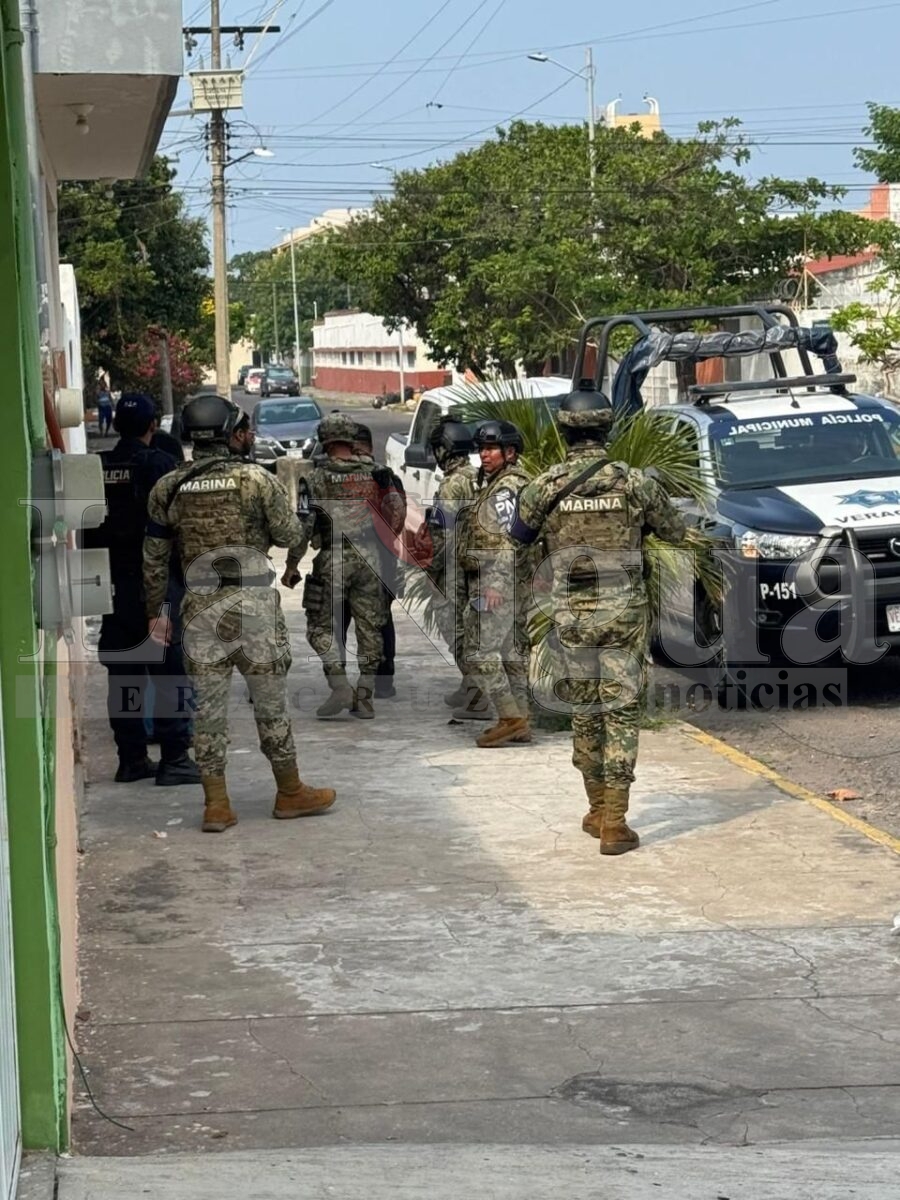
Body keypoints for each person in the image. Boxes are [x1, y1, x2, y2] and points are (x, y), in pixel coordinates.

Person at [143, 394, 336, 833]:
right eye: (243, 429)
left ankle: (216, 805)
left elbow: (154, 557)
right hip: (252, 606)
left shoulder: (168, 487)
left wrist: (157, 612)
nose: (248, 435)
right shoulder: (255, 479)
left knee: (207, 710)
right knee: (270, 702)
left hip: (199, 607)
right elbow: (289, 535)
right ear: (231, 433)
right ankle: (289, 792)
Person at [508, 389, 686, 856]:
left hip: (571, 613)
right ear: (608, 429)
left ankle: (596, 808)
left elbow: (518, 539)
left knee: (585, 708)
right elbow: (675, 531)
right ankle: (615, 822)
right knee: (621, 709)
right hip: (623, 610)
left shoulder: (544, 487)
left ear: (563, 431)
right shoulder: (634, 483)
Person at [84, 393, 200, 786]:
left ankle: (131, 759)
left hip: (111, 584)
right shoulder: (161, 465)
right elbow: (179, 525)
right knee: (169, 673)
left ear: (116, 425)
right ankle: (174, 759)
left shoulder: (98, 467)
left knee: (124, 675)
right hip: (156, 583)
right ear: (153, 426)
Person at [290, 414, 405, 720]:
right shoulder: (377, 473)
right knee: (371, 628)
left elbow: (304, 525)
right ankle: (365, 696)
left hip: (334, 557)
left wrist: (292, 564)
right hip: (371, 558)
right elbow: (396, 517)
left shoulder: (314, 479)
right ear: (352, 439)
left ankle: (340, 685)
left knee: (319, 626)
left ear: (325, 441)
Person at [460, 419, 535, 748]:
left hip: (498, 581)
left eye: (491, 449)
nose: (484, 455)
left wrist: (496, 585)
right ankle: (521, 721)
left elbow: (509, 541)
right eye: (481, 449)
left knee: (479, 650)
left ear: (510, 452)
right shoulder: (499, 484)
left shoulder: (507, 489)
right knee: (511, 653)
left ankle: (509, 717)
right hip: (510, 581)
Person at [413, 417, 481, 713]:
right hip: (474, 563)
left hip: (455, 568)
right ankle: (470, 686)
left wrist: (431, 569)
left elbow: (444, 533)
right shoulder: (476, 476)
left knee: (455, 628)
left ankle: (477, 691)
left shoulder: (452, 484)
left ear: (444, 450)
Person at [341, 423, 407, 700]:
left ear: (368, 448)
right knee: (341, 619)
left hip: (380, 563)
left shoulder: (386, 478)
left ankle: (383, 679)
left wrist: (384, 488)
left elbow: (397, 521)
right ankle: (341, 682)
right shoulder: (338, 478)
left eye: (358, 451)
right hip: (344, 564)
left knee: (380, 620)